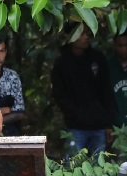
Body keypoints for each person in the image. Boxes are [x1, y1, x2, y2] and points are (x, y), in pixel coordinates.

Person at [51, 24, 116, 158]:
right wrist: (74, 115)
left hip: (99, 126)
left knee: (98, 169)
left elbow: (106, 91)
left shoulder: (98, 58)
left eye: (87, 33)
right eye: (81, 33)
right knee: (72, 169)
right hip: (75, 127)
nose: (86, 37)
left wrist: (108, 123)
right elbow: (59, 95)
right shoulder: (62, 63)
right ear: (70, 36)